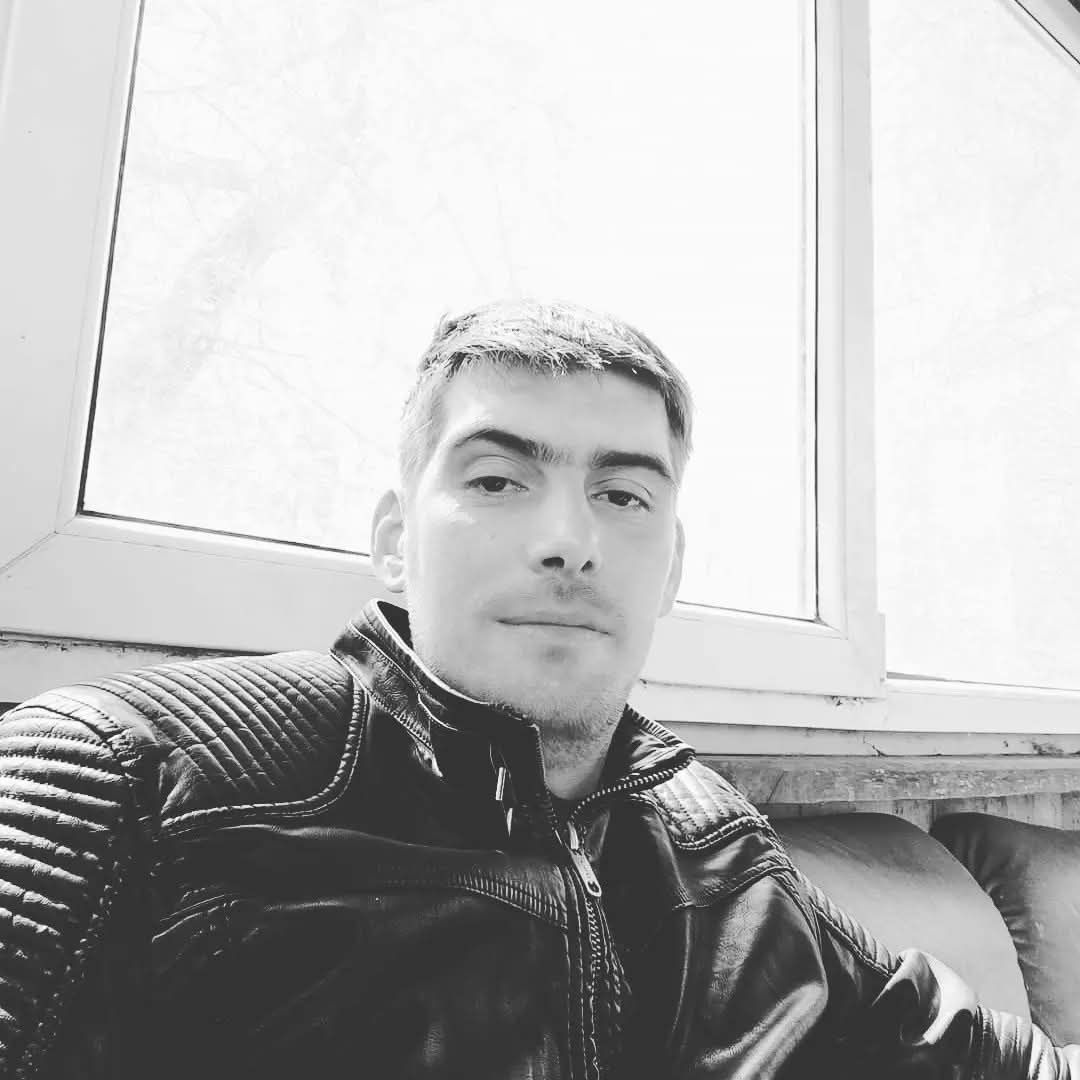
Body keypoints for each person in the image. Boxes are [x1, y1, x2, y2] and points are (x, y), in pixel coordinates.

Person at [0, 299, 1074, 1079]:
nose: (569, 540)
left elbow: (986, 1057)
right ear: (394, 543)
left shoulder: (719, 850)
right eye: (498, 479)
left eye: (623, 494)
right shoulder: (125, 780)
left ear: (673, 567)